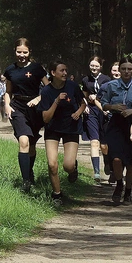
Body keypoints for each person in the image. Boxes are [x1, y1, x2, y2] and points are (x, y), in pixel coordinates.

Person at [3, 38, 50, 192]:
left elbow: (50, 88)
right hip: (17, 107)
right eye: (19, 52)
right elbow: (8, 91)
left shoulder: (37, 68)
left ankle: (29, 173)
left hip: (35, 109)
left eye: (25, 52)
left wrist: (39, 98)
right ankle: (26, 183)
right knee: (23, 141)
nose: (21, 55)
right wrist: (7, 105)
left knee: (31, 145)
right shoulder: (10, 70)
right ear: (14, 51)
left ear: (30, 52)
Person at [100, 58, 132, 205]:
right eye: (124, 69)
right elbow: (103, 104)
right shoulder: (111, 85)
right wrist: (114, 107)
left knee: (131, 161)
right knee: (116, 158)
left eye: (129, 69)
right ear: (119, 70)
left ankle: (128, 191)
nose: (126, 72)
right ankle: (119, 184)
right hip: (116, 124)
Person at [39, 61, 86, 206]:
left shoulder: (72, 86)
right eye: (62, 71)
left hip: (71, 127)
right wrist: (56, 101)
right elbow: (46, 118)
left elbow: (83, 103)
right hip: (53, 128)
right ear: (53, 73)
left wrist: (78, 112)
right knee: (52, 164)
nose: (65, 73)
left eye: (66, 70)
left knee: (68, 165)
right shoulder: (46, 92)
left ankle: (73, 170)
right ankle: (57, 195)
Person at [81, 56, 111, 184]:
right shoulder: (85, 80)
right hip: (92, 112)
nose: (93, 68)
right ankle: (97, 173)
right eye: (92, 65)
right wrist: (85, 105)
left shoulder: (107, 80)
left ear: (100, 67)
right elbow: (84, 95)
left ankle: (107, 161)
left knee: (104, 145)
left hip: (103, 111)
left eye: (96, 66)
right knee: (94, 142)